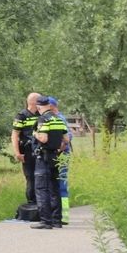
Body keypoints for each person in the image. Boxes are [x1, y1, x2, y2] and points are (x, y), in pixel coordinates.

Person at [31, 95, 69, 229]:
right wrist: (59, 150)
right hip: (55, 157)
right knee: (55, 188)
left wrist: (35, 133)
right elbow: (66, 140)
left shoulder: (42, 119)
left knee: (41, 188)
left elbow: (44, 138)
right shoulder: (58, 119)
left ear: (39, 107)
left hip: (44, 157)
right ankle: (56, 220)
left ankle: (46, 221)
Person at [11, 93, 41, 205]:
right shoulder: (21, 116)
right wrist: (17, 153)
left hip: (40, 150)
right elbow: (15, 135)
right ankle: (31, 205)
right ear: (33, 102)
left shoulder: (41, 115)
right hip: (27, 151)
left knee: (41, 178)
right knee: (31, 178)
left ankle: (42, 206)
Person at [48, 96, 72, 224]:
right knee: (58, 184)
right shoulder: (58, 118)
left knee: (61, 184)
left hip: (61, 155)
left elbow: (67, 138)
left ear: (51, 106)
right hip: (60, 154)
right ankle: (60, 214)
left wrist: (58, 150)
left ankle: (63, 215)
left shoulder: (59, 118)